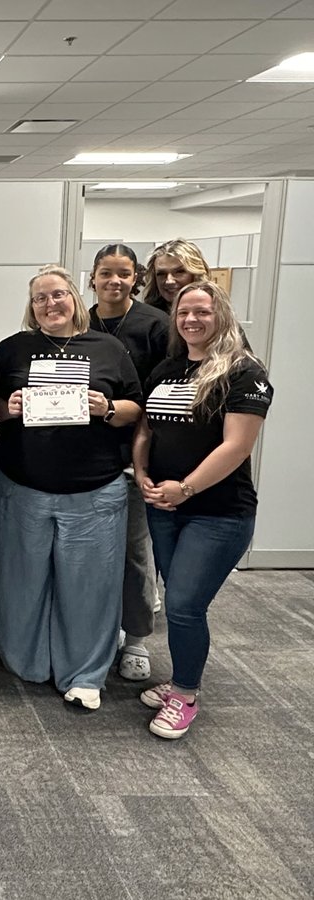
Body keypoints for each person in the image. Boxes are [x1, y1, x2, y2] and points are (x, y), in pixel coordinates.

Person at [0, 265, 143, 712]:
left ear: (74, 297)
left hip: (93, 490)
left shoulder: (109, 348)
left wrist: (108, 405)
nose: (50, 304)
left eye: (57, 295)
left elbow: (136, 408)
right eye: (40, 298)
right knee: (20, 582)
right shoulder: (13, 349)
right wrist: (9, 407)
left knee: (90, 587)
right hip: (21, 486)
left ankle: (86, 673)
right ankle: (25, 661)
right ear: (31, 307)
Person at [133, 281, 272, 739]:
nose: (191, 320)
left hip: (218, 512)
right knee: (178, 604)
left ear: (222, 316)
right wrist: (142, 473)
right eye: (183, 313)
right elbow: (146, 430)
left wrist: (186, 489)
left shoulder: (243, 372)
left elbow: (236, 446)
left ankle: (186, 694)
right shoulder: (167, 368)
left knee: (185, 605)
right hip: (165, 505)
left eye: (202, 312)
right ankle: (179, 679)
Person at [87, 244, 170, 682]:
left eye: (123, 273)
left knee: (135, 554)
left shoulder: (155, 326)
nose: (114, 281)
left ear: (136, 277)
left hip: (137, 456)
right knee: (94, 556)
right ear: (93, 277)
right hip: (86, 460)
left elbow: (156, 401)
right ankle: (100, 632)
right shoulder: (80, 322)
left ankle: (136, 637)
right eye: (106, 273)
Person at [142, 239, 211, 314]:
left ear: (196, 274)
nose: (169, 281)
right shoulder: (147, 318)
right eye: (161, 274)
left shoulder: (217, 313)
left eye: (179, 272)